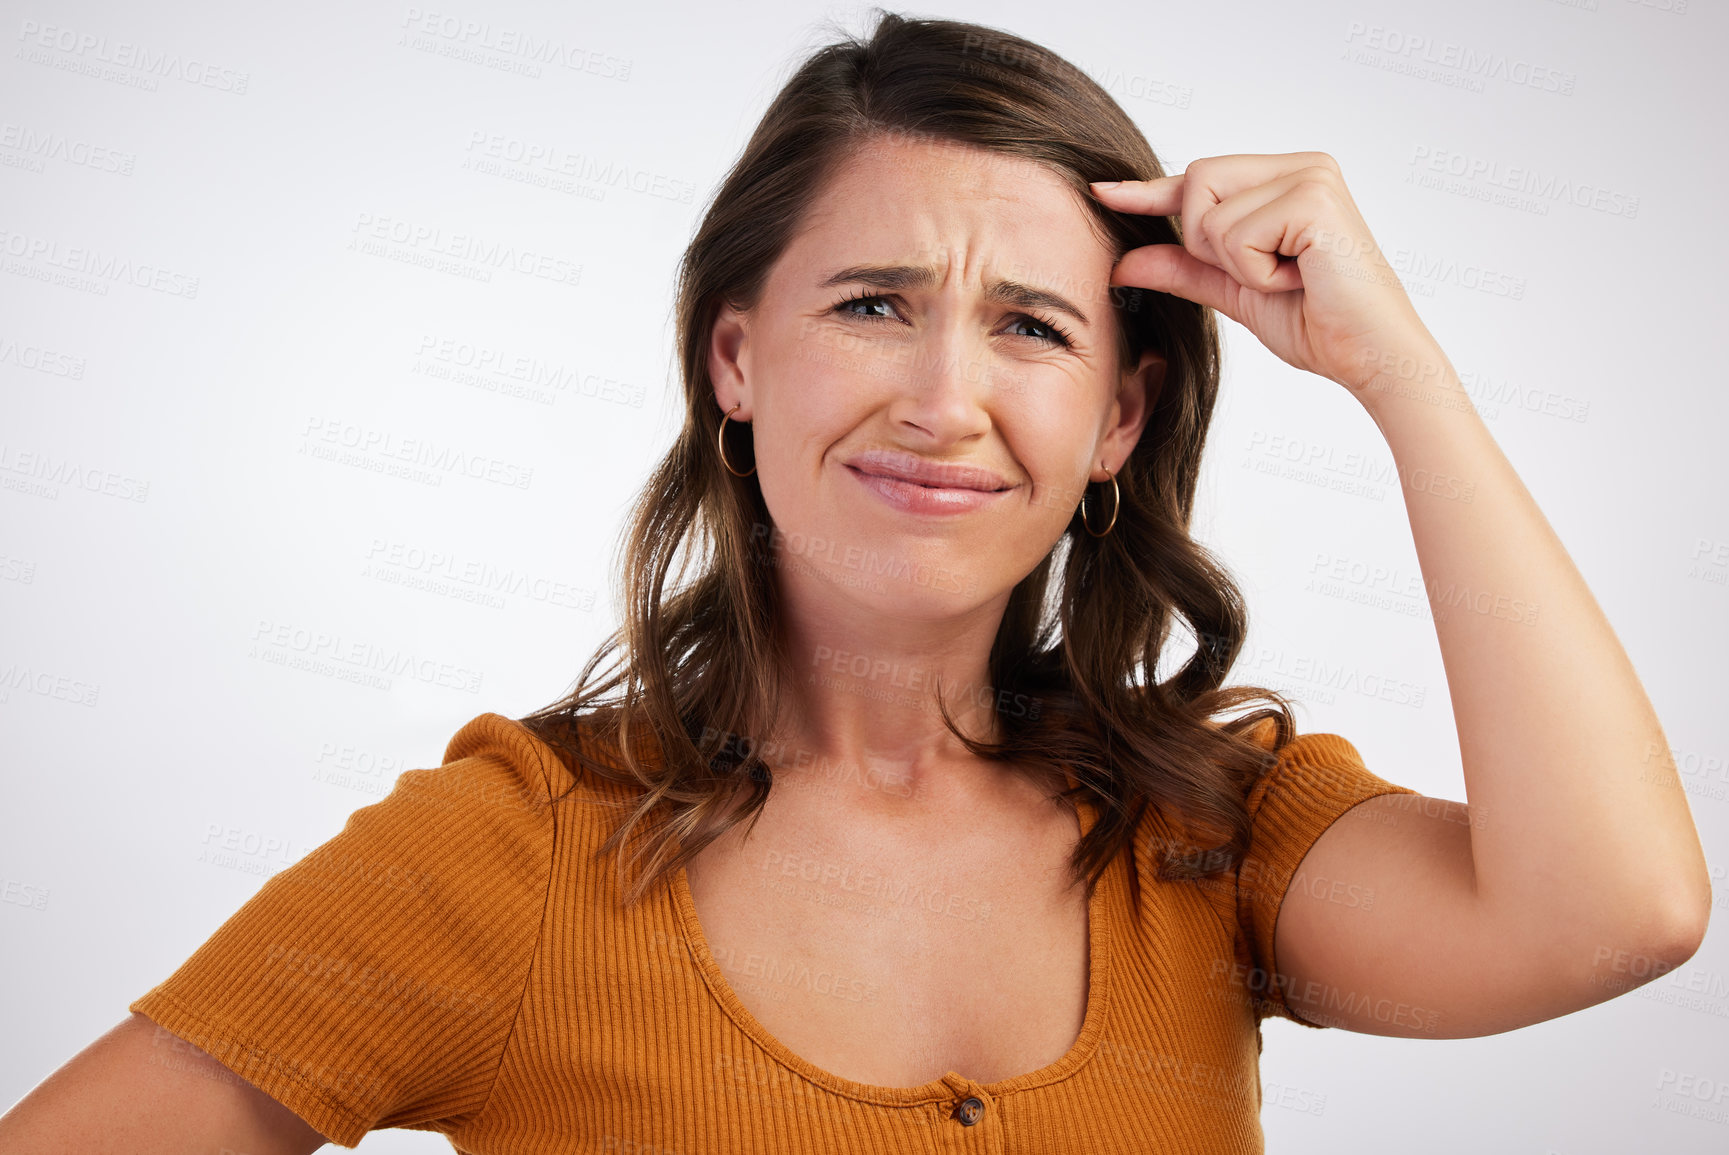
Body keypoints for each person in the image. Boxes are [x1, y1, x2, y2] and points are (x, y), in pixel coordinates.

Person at [1, 11, 1710, 1154]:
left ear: (1118, 416)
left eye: (1030, 328)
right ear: (737, 356)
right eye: (873, 303)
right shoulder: (502, 862)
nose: (939, 399)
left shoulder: (1205, 830)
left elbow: (1613, 915)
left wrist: (1398, 371)